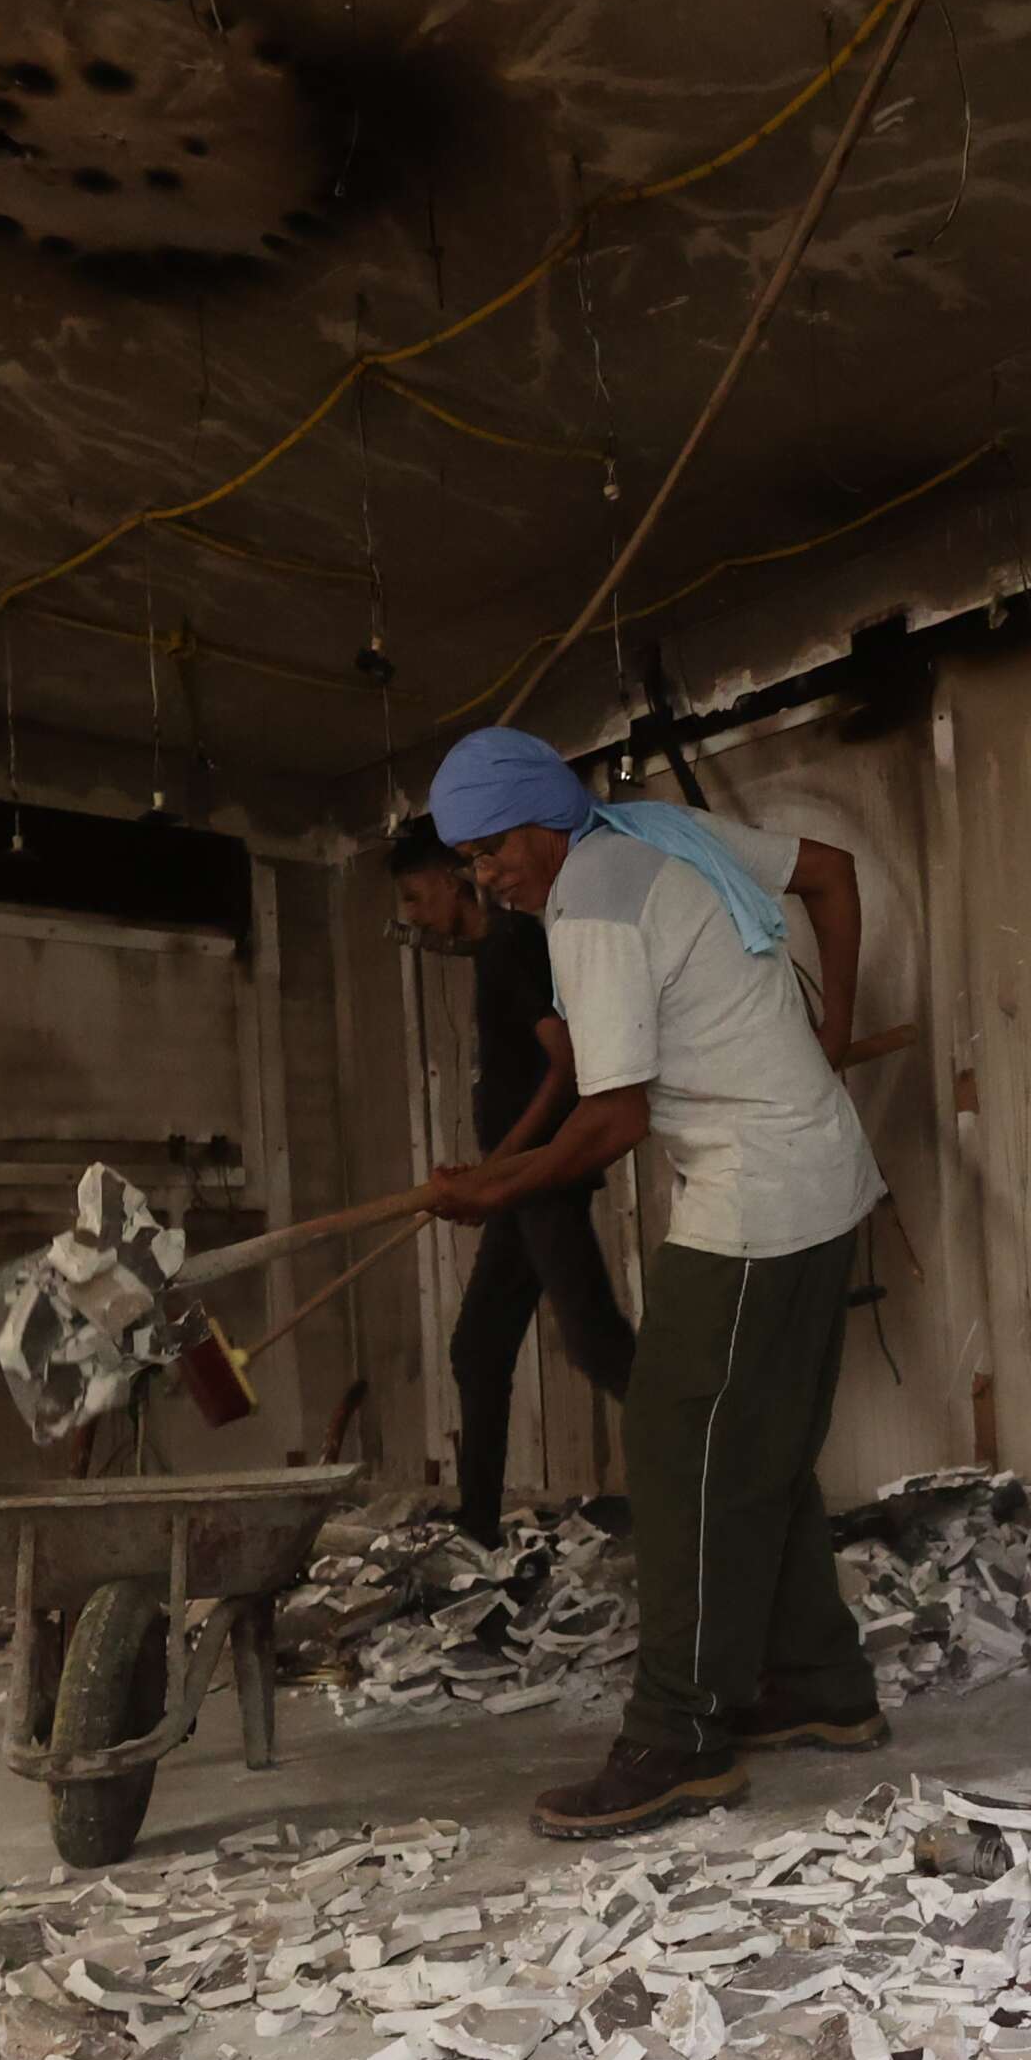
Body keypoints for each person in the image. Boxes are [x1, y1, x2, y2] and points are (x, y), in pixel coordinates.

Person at [418, 726, 889, 1840]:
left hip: (760, 1198)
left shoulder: (591, 904)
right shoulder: (654, 830)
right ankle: (821, 1685)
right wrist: (834, 1031)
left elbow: (614, 1118)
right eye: (472, 865)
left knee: (680, 1447)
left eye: (490, 854)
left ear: (541, 818)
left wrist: (496, 1196)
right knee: (760, 1442)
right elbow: (831, 872)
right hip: (814, 1167)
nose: (487, 880)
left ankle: (678, 1737)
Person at [385, 817, 640, 1548]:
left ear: (450, 878)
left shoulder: (509, 947)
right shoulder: (495, 953)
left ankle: (719, 1482)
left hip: (538, 1181)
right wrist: (493, 1166)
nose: (412, 914)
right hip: (518, 1182)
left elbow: (566, 1064)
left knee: (598, 1345)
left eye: (414, 895)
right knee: (479, 1348)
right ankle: (477, 1526)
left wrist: (508, 1163)